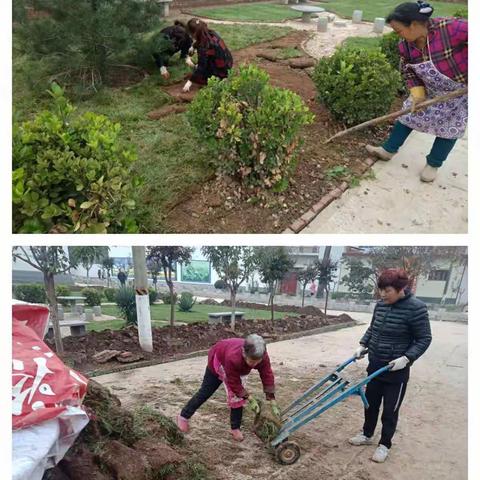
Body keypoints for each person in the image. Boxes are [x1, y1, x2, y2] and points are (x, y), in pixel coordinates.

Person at [366, 1, 467, 182]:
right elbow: (408, 70)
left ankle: (433, 165)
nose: (399, 35)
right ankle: (388, 150)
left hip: (460, 92)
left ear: (413, 24)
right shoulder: (405, 46)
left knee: (450, 129)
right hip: (429, 90)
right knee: (407, 116)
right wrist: (418, 95)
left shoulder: (451, 28)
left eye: (399, 30)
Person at [349, 268, 432, 463]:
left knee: (390, 411)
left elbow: (424, 339)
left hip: (396, 371)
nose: (383, 295)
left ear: (401, 288)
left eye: (388, 291)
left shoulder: (416, 308)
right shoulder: (381, 305)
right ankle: (367, 434)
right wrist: (363, 345)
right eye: (381, 290)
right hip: (375, 365)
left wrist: (406, 358)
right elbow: (373, 328)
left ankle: (384, 444)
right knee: (370, 405)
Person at [176, 334, 275, 442]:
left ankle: (235, 428)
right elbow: (234, 383)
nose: (254, 365)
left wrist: (271, 399)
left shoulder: (262, 356)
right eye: (252, 361)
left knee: (237, 399)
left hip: (239, 369)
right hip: (219, 361)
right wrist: (249, 398)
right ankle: (183, 416)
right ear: (243, 353)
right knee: (206, 392)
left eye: (257, 361)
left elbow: (267, 374)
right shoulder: (233, 358)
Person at [182, 18, 233, 92]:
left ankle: (221, 79)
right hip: (228, 63)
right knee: (202, 65)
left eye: (190, 33)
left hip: (221, 71)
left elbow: (201, 67)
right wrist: (193, 46)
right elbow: (200, 41)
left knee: (200, 74)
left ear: (194, 33)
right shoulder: (211, 33)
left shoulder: (204, 47)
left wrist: (190, 82)